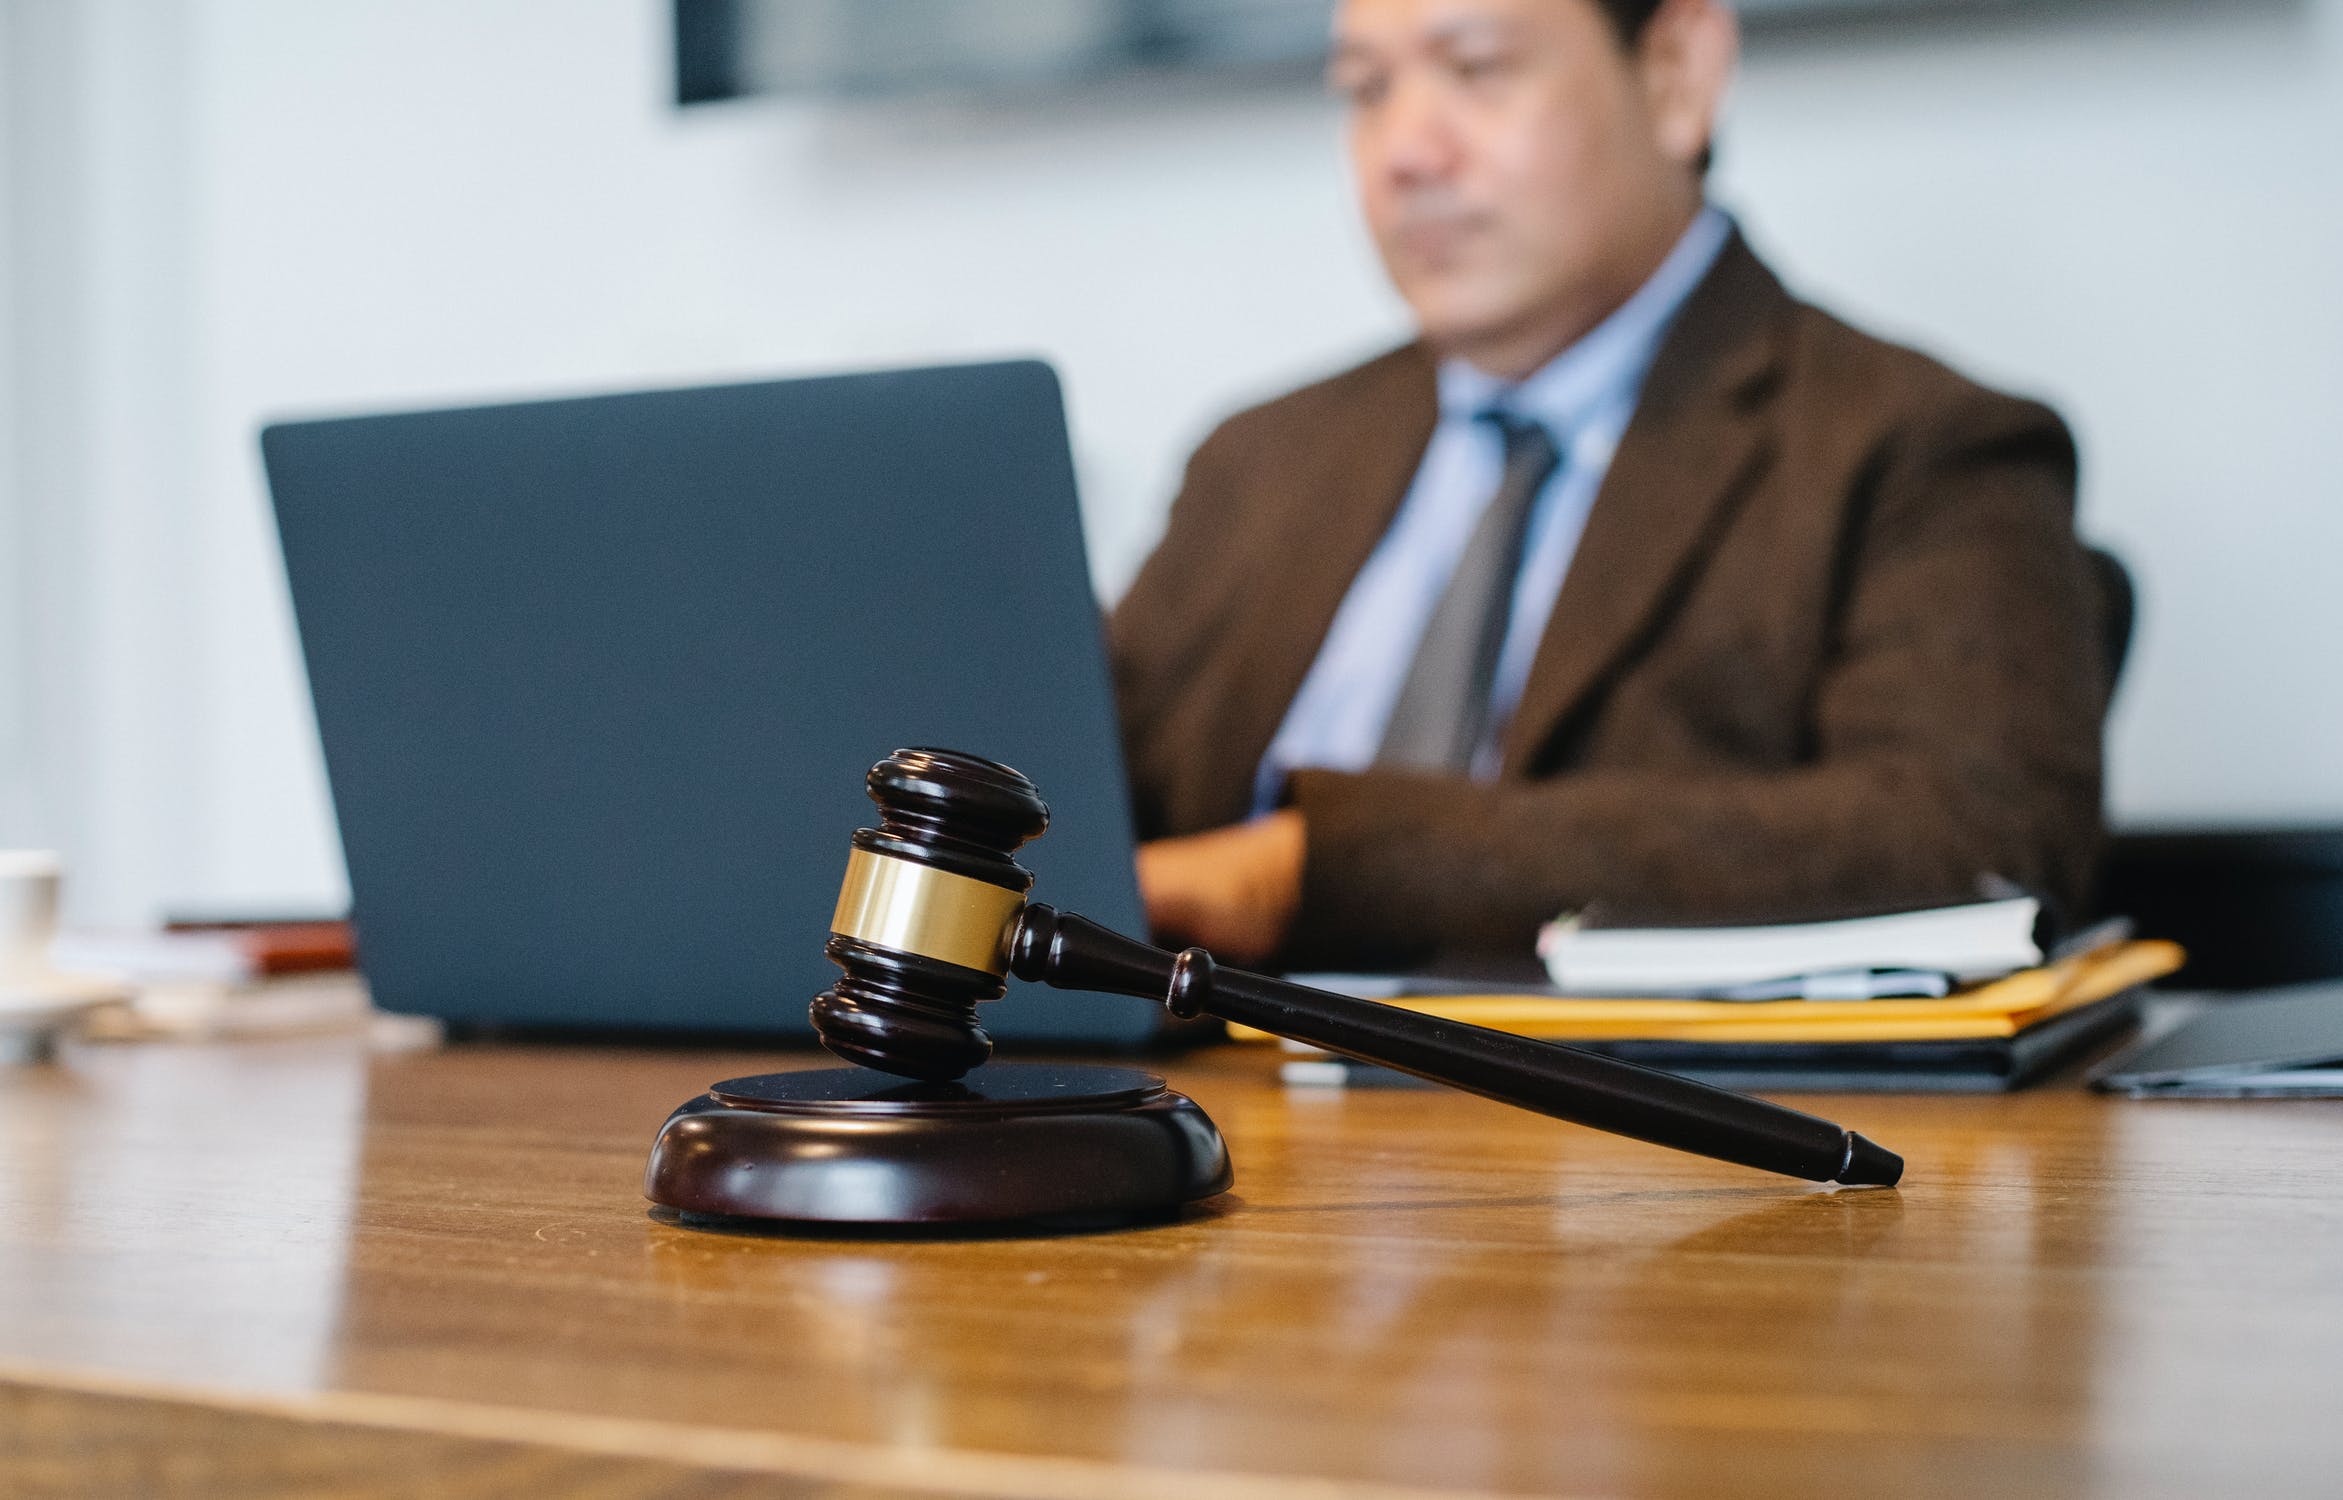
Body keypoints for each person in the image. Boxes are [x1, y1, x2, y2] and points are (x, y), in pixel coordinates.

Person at [1111, 0, 2109, 971]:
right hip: (1181, 1113)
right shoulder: (1258, 462)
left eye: (1478, 68)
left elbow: (1971, 836)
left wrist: (1317, 867)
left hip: (1621, 1128)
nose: (1405, 153)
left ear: (1676, 76)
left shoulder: (1918, 445)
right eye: (1365, 90)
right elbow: (1066, 794)